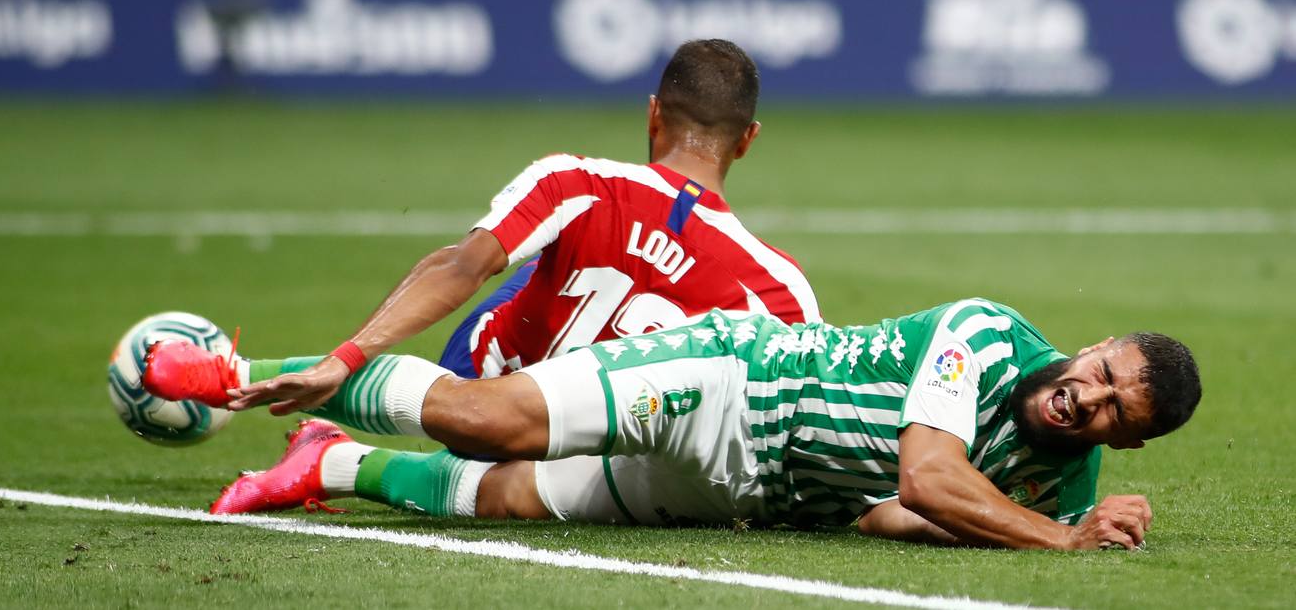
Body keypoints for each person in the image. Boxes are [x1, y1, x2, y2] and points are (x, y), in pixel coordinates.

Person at [143, 39, 820, 431]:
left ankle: (244, 377)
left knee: (529, 263)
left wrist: (347, 355)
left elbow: (464, 267)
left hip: (483, 394)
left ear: (652, 116)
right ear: (749, 140)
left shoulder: (575, 179)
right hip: (617, 455)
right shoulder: (782, 288)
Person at [206, 297, 1200, 551]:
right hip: (729, 381)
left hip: (756, 491)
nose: (1088, 396)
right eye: (1101, 372)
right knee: (486, 423)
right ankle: (233, 374)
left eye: (1116, 410)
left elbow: (908, 518)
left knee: (507, 502)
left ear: (1128, 442)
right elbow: (931, 479)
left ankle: (332, 465)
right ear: (1094, 345)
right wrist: (1064, 541)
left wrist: (1078, 527)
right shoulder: (985, 339)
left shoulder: (1058, 488)